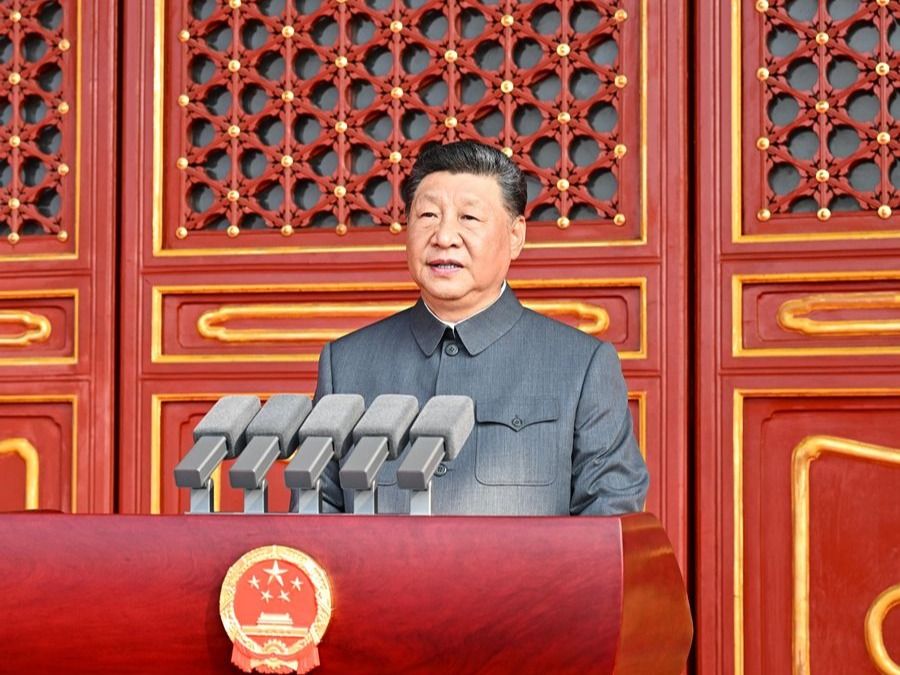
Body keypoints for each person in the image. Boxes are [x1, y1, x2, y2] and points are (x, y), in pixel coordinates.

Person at [310, 140, 648, 515]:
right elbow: (312, 518)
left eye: (468, 218)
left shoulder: (580, 366)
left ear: (515, 236)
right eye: (428, 216)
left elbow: (609, 515)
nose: (444, 237)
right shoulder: (346, 363)